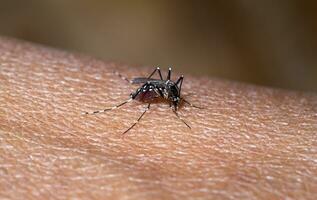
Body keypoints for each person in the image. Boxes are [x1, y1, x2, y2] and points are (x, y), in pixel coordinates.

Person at [0, 37, 316, 199]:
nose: (176, 98)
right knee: (158, 81)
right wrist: (148, 95)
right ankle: (132, 102)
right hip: (148, 89)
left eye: (174, 97)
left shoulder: (174, 90)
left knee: (165, 78)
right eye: (174, 98)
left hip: (155, 88)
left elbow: (173, 90)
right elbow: (162, 88)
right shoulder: (164, 90)